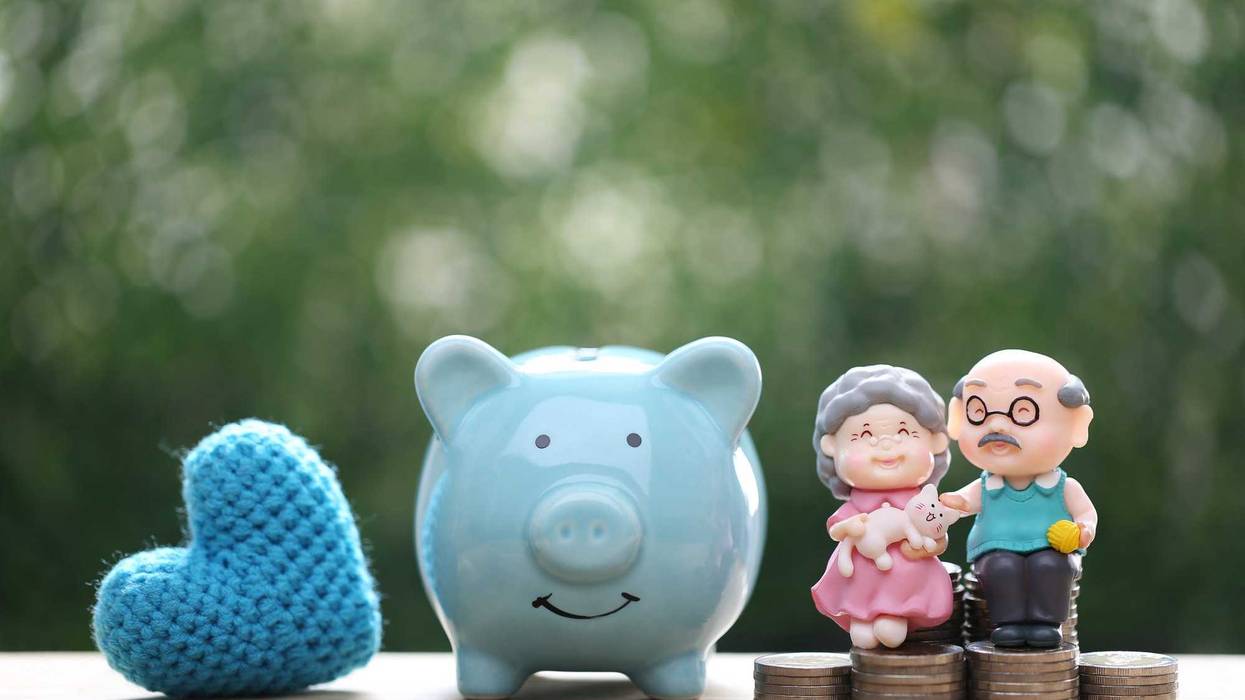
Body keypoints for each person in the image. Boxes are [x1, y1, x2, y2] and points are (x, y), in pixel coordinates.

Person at [939, 349, 1098, 648]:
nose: (997, 426)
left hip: (1054, 548)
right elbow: (964, 501)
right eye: (979, 412)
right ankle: (1009, 623)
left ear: (1077, 424)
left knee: (1052, 567)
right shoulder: (987, 485)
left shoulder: (1064, 486)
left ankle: (1046, 623)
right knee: (1001, 569)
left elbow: (1086, 515)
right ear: (958, 417)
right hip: (995, 550)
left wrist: (1083, 531)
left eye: (1023, 412)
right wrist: (950, 506)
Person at [810, 365, 957, 649]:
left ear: (936, 442)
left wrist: (932, 544)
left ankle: (894, 615)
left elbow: (938, 535)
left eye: (904, 432)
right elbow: (838, 529)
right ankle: (863, 619)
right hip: (859, 574)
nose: (885, 445)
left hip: (910, 578)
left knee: (891, 630)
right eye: (863, 436)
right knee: (863, 632)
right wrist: (847, 528)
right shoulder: (856, 505)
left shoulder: (921, 502)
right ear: (832, 446)